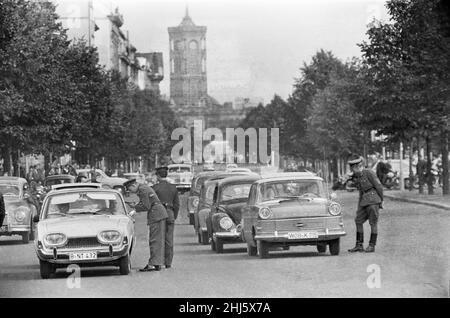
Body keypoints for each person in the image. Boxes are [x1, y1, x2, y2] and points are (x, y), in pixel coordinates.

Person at [124, 178, 168, 272]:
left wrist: (134, 209)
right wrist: (136, 205)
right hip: (158, 213)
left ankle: (153, 264)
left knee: (154, 240)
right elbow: (147, 202)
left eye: (130, 189)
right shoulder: (144, 188)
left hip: (156, 214)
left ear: (134, 185)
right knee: (157, 240)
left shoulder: (142, 190)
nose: (131, 192)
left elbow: (146, 205)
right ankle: (157, 263)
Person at [347, 155, 384, 253]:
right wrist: (359, 206)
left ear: (359, 166)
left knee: (373, 223)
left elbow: (379, 187)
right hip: (364, 201)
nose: (353, 171)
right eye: (352, 168)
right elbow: (361, 192)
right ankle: (359, 245)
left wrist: (381, 200)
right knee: (358, 220)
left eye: (354, 168)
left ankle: (372, 245)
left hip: (373, 200)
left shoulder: (369, 172)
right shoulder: (358, 176)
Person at [152, 166, 180, 269]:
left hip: (159, 214)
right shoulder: (173, 187)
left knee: (158, 239)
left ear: (158, 176)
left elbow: (151, 203)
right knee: (169, 239)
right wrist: (174, 215)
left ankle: (158, 262)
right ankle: (168, 262)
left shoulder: (155, 188)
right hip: (170, 213)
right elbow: (177, 204)